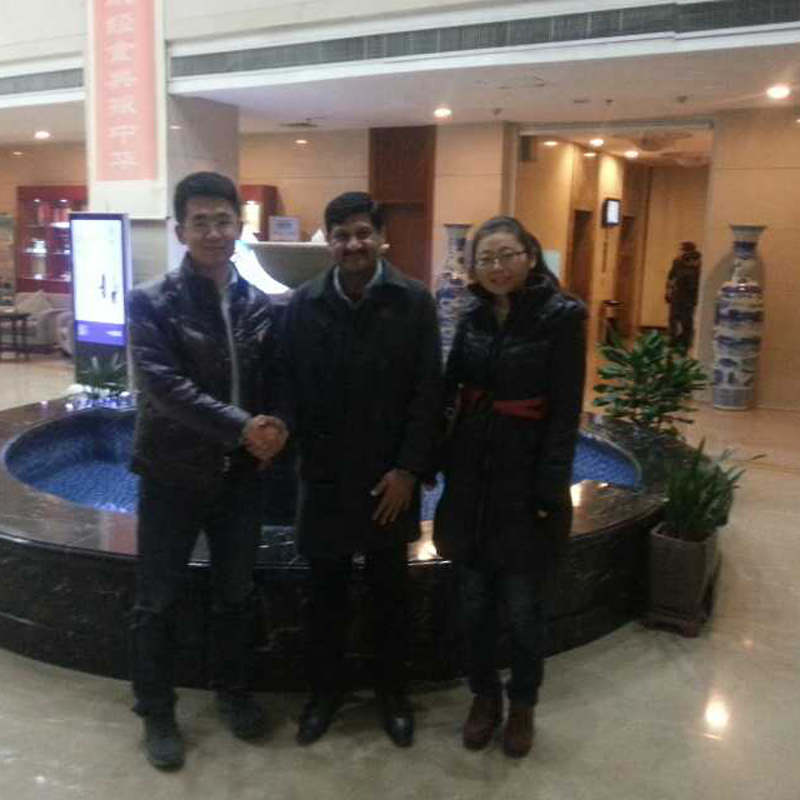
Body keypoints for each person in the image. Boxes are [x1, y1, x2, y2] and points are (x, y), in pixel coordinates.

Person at [127, 171, 288, 770]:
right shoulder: (151, 302)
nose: (214, 232)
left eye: (223, 220)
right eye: (201, 222)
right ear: (181, 231)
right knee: (157, 599)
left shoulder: (257, 303)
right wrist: (244, 428)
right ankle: (156, 709)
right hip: (172, 473)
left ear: (239, 226)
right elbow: (165, 388)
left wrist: (278, 425)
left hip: (240, 477)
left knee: (236, 593)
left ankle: (233, 691)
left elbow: (277, 379)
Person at [279, 191, 442, 748]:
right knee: (323, 596)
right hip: (324, 479)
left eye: (363, 233)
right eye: (342, 235)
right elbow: (287, 386)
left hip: (387, 483)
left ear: (381, 238)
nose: (353, 244)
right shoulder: (303, 304)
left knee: (389, 594)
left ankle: (392, 696)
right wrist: (290, 448)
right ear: (328, 241)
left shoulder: (413, 302)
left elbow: (428, 394)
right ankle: (323, 695)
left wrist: (408, 470)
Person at [433, 216, 586, 758]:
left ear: (529, 256)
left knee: (524, 608)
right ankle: (483, 696)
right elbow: (450, 387)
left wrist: (550, 488)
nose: (496, 268)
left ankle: (522, 703)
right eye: (486, 259)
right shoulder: (472, 315)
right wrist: (433, 456)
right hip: (472, 480)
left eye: (506, 255)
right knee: (474, 603)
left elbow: (565, 414)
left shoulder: (562, 317)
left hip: (525, 483)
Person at [665, 241, 701, 350]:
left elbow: (697, 283)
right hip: (677, 294)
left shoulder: (697, 264)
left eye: (683, 250)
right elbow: (671, 276)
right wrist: (668, 291)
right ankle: (673, 340)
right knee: (673, 318)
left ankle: (685, 341)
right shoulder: (677, 261)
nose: (680, 252)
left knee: (686, 320)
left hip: (689, 296)